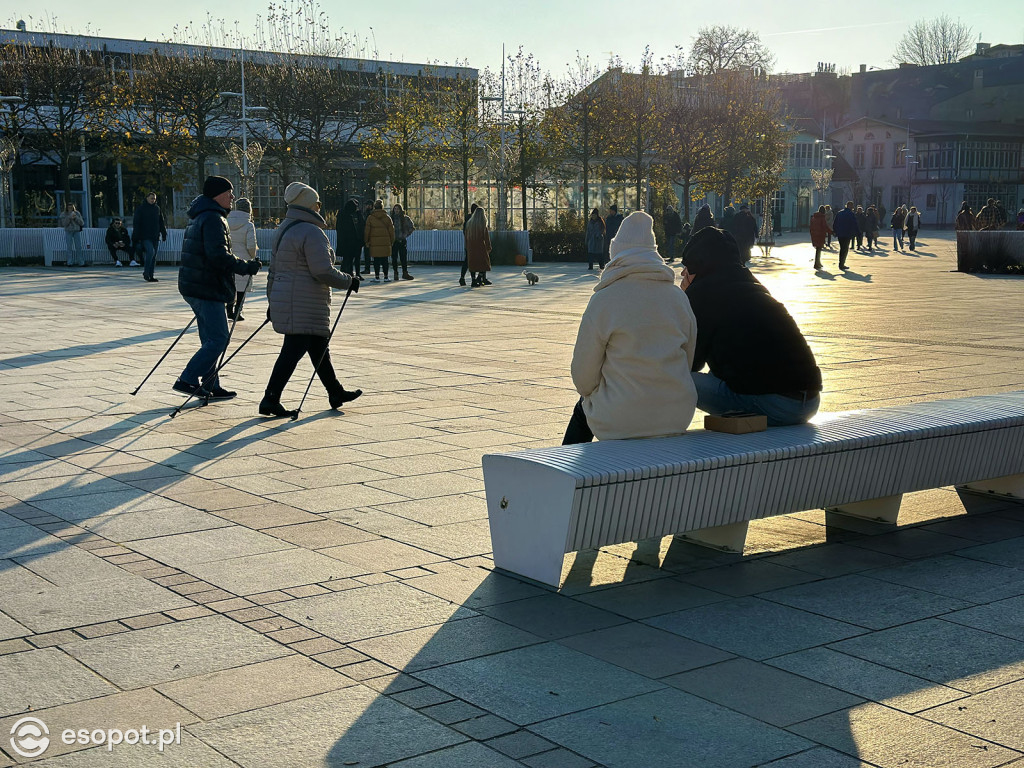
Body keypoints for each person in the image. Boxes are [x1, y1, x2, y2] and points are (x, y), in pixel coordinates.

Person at [563, 210, 697, 444]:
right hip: (676, 415)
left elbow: (583, 378)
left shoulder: (605, 300)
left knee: (581, 410)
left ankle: (566, 476)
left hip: (620, 418)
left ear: (616, 254)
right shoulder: (678, 298)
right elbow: (688, 359)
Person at [680, 226, 821, 427]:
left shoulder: (702, 293)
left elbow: (690, 363)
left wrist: (685, 299)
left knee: (671, 376)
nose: (683, 272)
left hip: (777, 405)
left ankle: (654, 434)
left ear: (699, 265)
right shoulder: (749, 282)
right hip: (810, 402)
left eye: (687, 267)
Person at [260, 181, 362, 417]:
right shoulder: (311, 231)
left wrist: (272, 300)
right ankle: (270, 398)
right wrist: (349, 281)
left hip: (291, 299)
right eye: (316, 203)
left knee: (317, 346)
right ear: (307, 204)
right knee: (292, 351)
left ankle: (335, 391)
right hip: (303, 302)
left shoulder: (285, 228)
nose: (319, 207)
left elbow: (273, 270)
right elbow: (322, 270)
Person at [174, 176, 261, 400]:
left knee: (210, 338)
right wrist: (246, 267)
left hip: (196, 284)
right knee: (219, 339)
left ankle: (211, 383)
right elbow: (218, 256)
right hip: (206, 286)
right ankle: (188, 378)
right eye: (229, 192)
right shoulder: (213, 218)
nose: (232, 197)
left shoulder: (201, 215)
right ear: (217, 195)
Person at [226, 197, 258, 321]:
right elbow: (251, 245)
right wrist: (252, 256)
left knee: (230, 284)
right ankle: (238, 311)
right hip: (244, 259)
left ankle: (229, 309)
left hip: (229, 258)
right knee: (241, 288)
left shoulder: (226, 221)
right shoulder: (248, 224)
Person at [133, 192, 167, 282]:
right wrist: (136, 236)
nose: (153, 200)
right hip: (145, 235)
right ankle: (146, 272)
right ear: (147, 198)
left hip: (155, 235)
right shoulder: (141, 209)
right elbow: (136, 223)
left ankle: (151, 275)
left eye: (154, 198)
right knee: (150, 252)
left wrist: (164, 233)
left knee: (154, 256)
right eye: (151, 198)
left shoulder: (157, 208)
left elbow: (161, 222)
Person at [364, 200, 395, 282]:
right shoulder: (387, 218)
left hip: (374, 243)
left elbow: (367, 231)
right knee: (385, 260)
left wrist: (366, 241)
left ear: (374, 207)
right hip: (385, 242)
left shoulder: (370, 218)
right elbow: (391, 231)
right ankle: (386, 276)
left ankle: (377, 276)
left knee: (376, 260)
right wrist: (391, 241)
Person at [464, 206, 492, 287]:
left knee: (472, 264)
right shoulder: (482, 225)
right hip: (480, 247)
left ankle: (473, 280)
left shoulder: (469, 224)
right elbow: (486, 237)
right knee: (484, 264)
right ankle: (479, 277)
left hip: (471, 246)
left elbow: (466, 236)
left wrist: (466, 246)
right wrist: (488, 247)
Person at [336, 199, 364, 277]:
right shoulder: (345, 214)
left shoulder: (356, 214)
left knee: (352, 258)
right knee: (349, 258)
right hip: (350, 240)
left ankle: (353, 273)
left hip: (353, 240)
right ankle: (350, 273)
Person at [389, 203, 416, 281]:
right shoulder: (391, 219)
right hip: (394, 241)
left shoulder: (405, 218)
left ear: (401, 210)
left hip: (402, 240)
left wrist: (406, 234)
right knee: (394, 257)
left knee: (403, 257)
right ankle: (395, 273)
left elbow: (412, 227)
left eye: (398, 209)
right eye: (395, 209)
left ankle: (405, 272)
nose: (396, 211)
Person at [832, 201, 859, 271]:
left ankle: (841, 263)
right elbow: (854, 224)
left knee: (842, 248)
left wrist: (835, 231)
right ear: (851, 206)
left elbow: (835, 223)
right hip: (847, 233)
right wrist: (858, 232)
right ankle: (842, 263)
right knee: (845, 248)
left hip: (840, 234)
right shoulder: (851, 214)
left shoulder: (839, 213)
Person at [459, 203, 479, 286]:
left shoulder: (467, 218)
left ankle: (462, 277)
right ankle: (474, 279)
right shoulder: (475, 219)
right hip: (473, 243)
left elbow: (464, 231)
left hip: (468, 243)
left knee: (467, 261)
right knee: (473, 261)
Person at [809, 205, 833, 271]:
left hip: (814, 235)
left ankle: (818, 262)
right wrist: (832, 232)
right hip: (820, 235)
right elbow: (825, 227)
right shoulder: (822, 218)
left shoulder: (814, 217)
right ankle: (817, 263)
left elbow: (811, 227)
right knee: (818, 249)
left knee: (818, 249)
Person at [602, 204, 623, 268]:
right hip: (609, 236)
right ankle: (608, 261)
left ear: (614, 211)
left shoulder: (619, 218)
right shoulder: (609, 218)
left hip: (616, 237)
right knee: (608, 249)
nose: (610, 212)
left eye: (611, 210)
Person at [361, 200, 375, 274]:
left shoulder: (371, 215)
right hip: (366, 235)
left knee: (369, 253)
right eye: (367, 205)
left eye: (369, 205)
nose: (368, 206)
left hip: (370, 235)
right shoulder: (364, 213)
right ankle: (367, 268)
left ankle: (368, 268)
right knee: (367, 253)